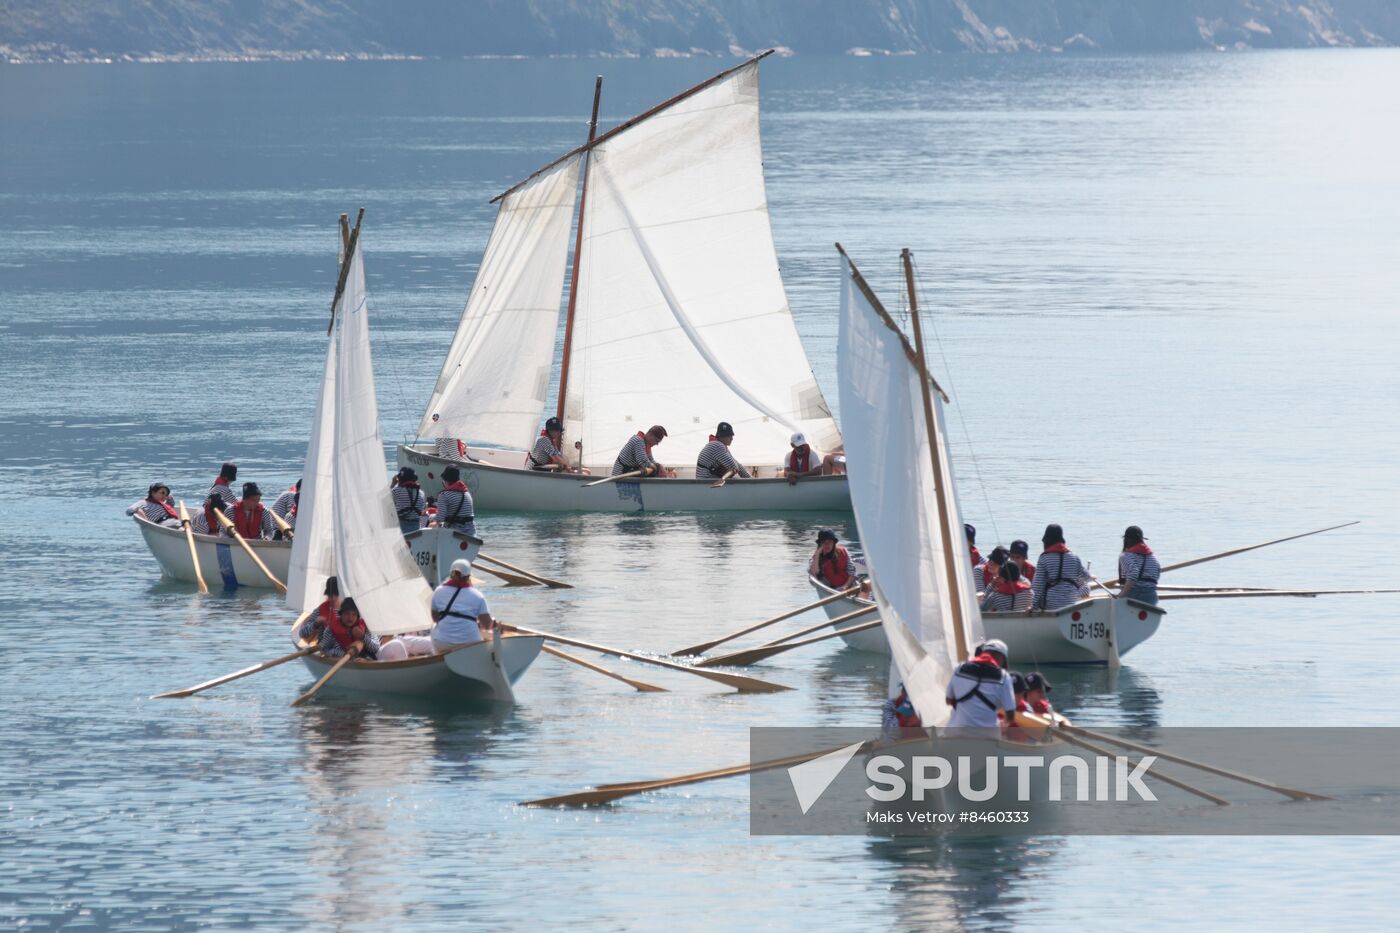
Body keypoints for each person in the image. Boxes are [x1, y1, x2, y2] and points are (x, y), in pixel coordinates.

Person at [945, 638, 1017, 730]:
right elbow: (1011, 716)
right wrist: (1003, 724)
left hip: (956, 734)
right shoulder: (1003, 676)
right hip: (986, 737)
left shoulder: (959, 668)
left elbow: (948, 700)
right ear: (1001, 658)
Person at [430, 559, 494, 652]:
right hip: (470, 644)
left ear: (450, 574)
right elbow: (487, 625)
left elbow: (435, 619)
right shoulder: (477, 595)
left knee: (433, 627)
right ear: (468, 577)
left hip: (442, 644)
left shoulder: (438, 591)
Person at [1031, 524, 1092, 611]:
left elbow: (1038, 586)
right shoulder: (1074, 557)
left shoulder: (1044, 558)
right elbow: (1087, 577)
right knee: (1083, 584)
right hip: (1071, 603)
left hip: (1051, 605)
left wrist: (1033, 607)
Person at [314, 596, 381, 660]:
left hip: (365, 660)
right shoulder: (330, 630)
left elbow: (376, 648)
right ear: (341, 614)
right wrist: (343, 654)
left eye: (354, 614)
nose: (350, 618)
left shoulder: (366, 626)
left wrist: (363, 637)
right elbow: (324, 649)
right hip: (343, 661)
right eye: (347, 614)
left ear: (358, 616)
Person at [1117, 525, 1161, 605]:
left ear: (1127, 539)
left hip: (1133, 595)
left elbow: (1133, 574)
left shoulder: (1125, 556)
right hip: (1151, 597)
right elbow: (1156, 574)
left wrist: (1120, 596)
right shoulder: (1153, 558)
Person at [297, 577, 341, 644]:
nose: (333, 598)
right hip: (325, 649)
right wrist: (315, 624)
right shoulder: (320, 611)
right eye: (330, 595)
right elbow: (302, 633)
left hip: (346, 648)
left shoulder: (351, 611)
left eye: (336, 594)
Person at [435, 466, 476, 536]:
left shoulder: (444, 495)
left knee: (432, 524)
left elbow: (440, 518)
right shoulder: (467, 493)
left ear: (445, 480)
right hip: (471, 533)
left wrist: (431, 517)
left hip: (453, 534)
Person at [390, 466, 427, 535]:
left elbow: (387, 505)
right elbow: (422, 509)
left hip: (401, 529)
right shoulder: (421, 493)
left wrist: (393, 484)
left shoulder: (396, 491)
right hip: (417, 529)